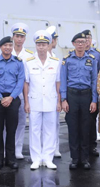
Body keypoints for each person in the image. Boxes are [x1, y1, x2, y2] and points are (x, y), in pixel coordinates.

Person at [23, 30, 61, 170]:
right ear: (35, 45)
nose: (41, 47)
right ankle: (36, 158)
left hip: (51, 100)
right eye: (39, 44)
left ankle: (48, 158)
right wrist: (26, 102)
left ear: (49, 45)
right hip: (34, 101)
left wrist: (58, 101)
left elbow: (58, 82)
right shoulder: (28, 62)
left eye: (44, 44)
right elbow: (26, 83)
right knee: (34, 130)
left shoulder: (56, 62)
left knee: (50, 130)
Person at [60, 32, 98, 170]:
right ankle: (75, 159)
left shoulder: (92, 59)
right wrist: (64, 99)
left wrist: (94, 100)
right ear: (73, 44)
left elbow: (95, 80)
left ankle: (85, 158)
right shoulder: (67, 60)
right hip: (72, 95)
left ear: (87, 43)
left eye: (83, 42)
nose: (81, 44)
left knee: (86, 128)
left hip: (87, 96)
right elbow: (63, 80)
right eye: (78, 42)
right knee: (73, 128)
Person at [0, 36, 25, 170]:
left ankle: (11, 159)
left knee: (11, 130)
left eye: (10, 45)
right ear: (0, 48)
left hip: (13, 99)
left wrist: (11, 97)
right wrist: (0, 97)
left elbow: (20, 82)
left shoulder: (18, 63)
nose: (8, 48)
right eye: (5, 46)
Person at [11, 22, 31, 160]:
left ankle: (18, 148)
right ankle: (8, 147)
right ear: (13, 37)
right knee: (8, 123)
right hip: (9, 95)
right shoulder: (6, 51)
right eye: (17, 36)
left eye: (22, 36)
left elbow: (28, 79)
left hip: (23, 95)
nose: (19, 39)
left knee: (21, 122)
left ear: (24, 39)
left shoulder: (29, 56)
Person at [83, 29, 100, 157]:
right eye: (84, 39)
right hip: (80, 91)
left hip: (92, 92)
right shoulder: (74, 54)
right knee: (80, 120)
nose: (86, 41)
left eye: (89, 39)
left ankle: (92, 146)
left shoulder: (97, 55)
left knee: (91, 120)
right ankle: (82, 146)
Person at [46, 25, 63, 159]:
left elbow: (58, 80)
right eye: (55, 39)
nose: (56, 42)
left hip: (53, 96)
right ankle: (45, 149)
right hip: (42, 96)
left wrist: (59, 98)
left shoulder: (56, 57)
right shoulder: (41, 57)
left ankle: (54, 147)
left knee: (55, 123)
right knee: (42, 126)